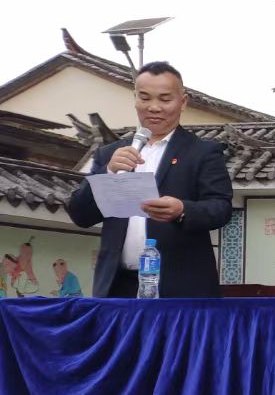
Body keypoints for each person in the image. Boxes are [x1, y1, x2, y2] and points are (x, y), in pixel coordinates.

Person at [65, 62, 233, 298]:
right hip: (117, 288)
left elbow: (220, 209)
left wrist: (183, 210)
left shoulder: (202, 152)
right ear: (135, 99)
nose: (154, 107)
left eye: (165, 99)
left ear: (183, 102)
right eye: (145, 98)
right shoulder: (110, 154)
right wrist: (108, 172)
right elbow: (80, 215)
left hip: (179, 289)